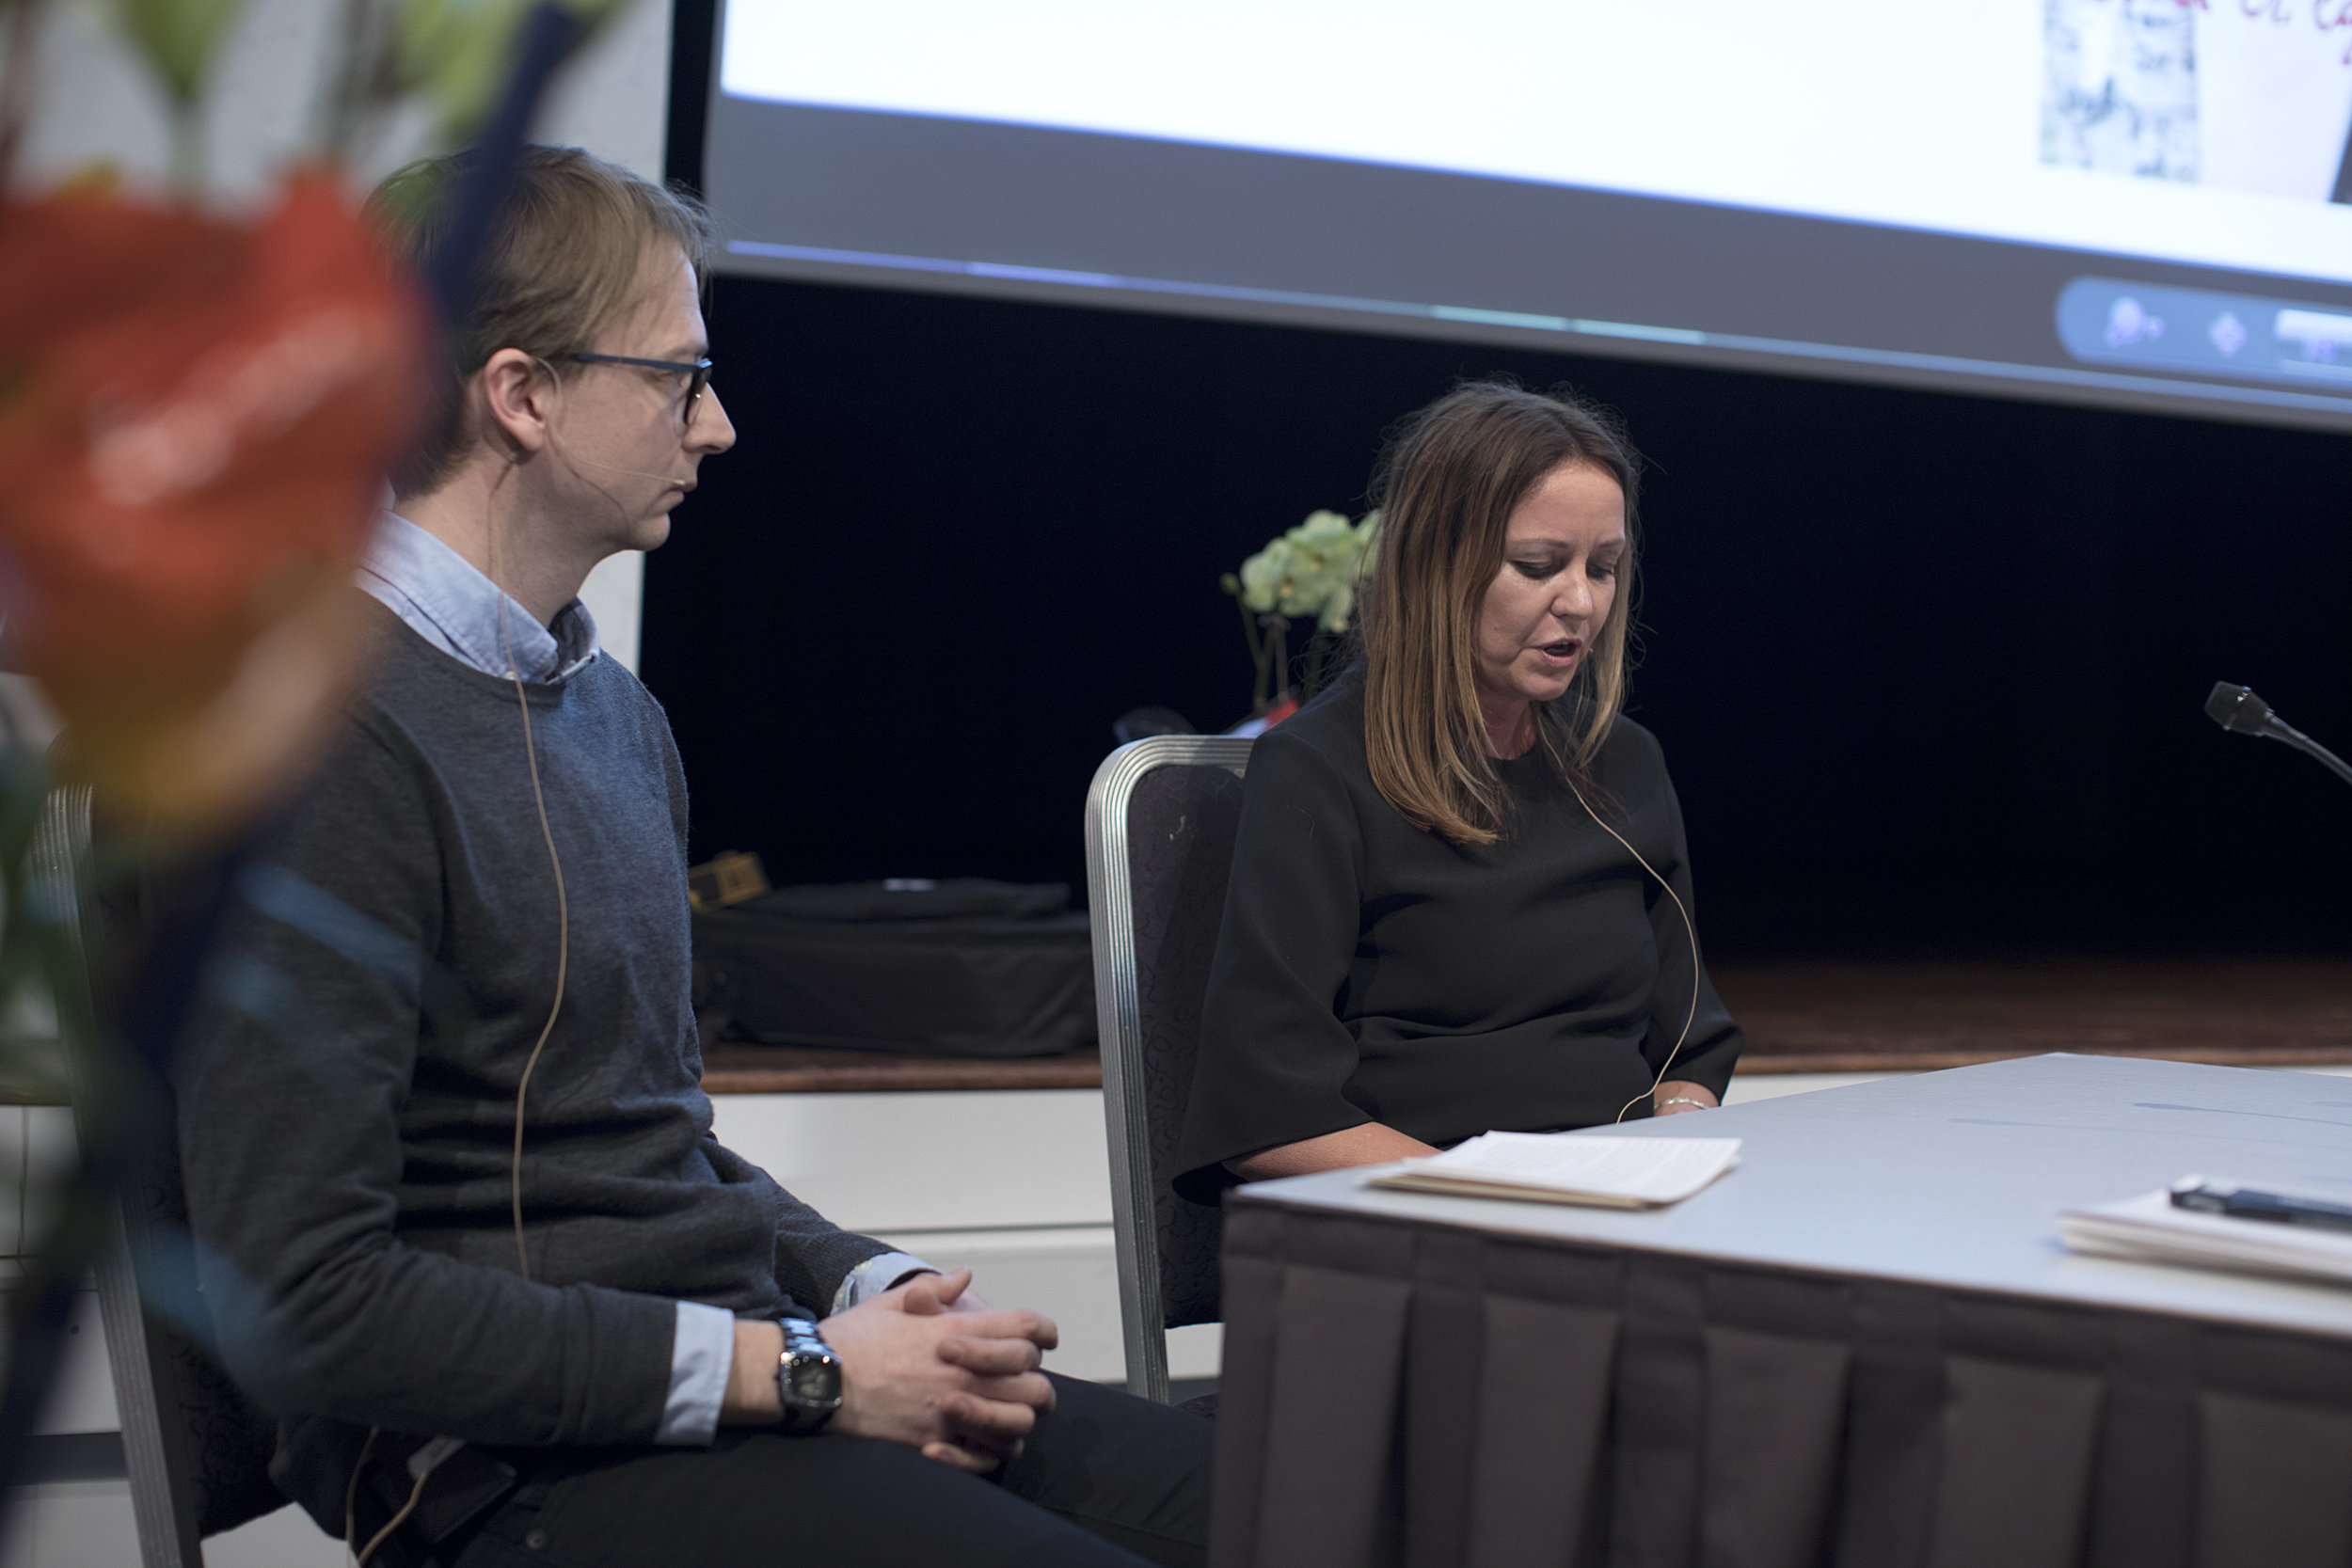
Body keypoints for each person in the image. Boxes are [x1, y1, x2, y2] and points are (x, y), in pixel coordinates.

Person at [175, 146, 1209, 1568]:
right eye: (679, 378)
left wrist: (873, 1289)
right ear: (523, 394)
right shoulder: (311, 733)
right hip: (502, 1468)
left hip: (738, 1381)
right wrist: (804, 1371)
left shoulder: (613, 711)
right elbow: (312, 1300)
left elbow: (663, 1141)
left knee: (1302, 1500)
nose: (716, 426)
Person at [1173, 381, 1741, 1199]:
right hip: (1426, 1212)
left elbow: (1687, 1041)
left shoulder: (1624, 761)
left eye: (1604, 568)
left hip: (1610, 1207)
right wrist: (1495, 1198)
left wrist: (1678, 1132)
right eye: (1539, 566)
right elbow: (1268, 1114)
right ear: (1437, 562)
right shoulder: (1318, 769)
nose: (1581, 602)